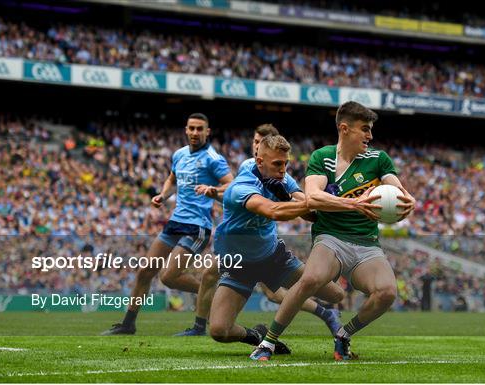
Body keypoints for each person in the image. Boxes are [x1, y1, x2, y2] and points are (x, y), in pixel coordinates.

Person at [251, 101, 416, 361]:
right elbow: (313, 198)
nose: (370, 136)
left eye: (370, 130)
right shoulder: (322, 157)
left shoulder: (378, 159)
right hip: (330, 238)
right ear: (345, 128)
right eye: (365, 129)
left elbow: (398, 190)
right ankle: (268, 342)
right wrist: (355, 203)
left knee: (387, 293)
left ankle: (344, 335)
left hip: (367, 243)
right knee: (310, 279)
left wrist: (409, 200)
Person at [175, 124, 341, 337]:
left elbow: (308, 212)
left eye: (286, 164)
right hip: (239, 263)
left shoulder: (282, 177)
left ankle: (327, 313)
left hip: (272, 256)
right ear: (259, 161)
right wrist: (312, 201)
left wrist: (321, 201)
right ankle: (258, 337)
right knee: (218, 331)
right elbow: (273, 211)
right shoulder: (242, 186)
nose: (283, 170)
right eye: (278, 164)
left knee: (335, 294)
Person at [102, 113, 233, 335]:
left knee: (169, 277)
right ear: (186, 129)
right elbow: (172, 179)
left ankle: (211, 293)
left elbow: (232, 186)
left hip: (197, 226)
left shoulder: (213, 158)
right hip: (175, 222)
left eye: (199, 129)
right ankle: (128, 324)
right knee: (145, 271)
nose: (194, 132)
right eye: (191, 128)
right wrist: (163, 195)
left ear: (207, 132)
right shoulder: (179, 154)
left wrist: (213, 191)